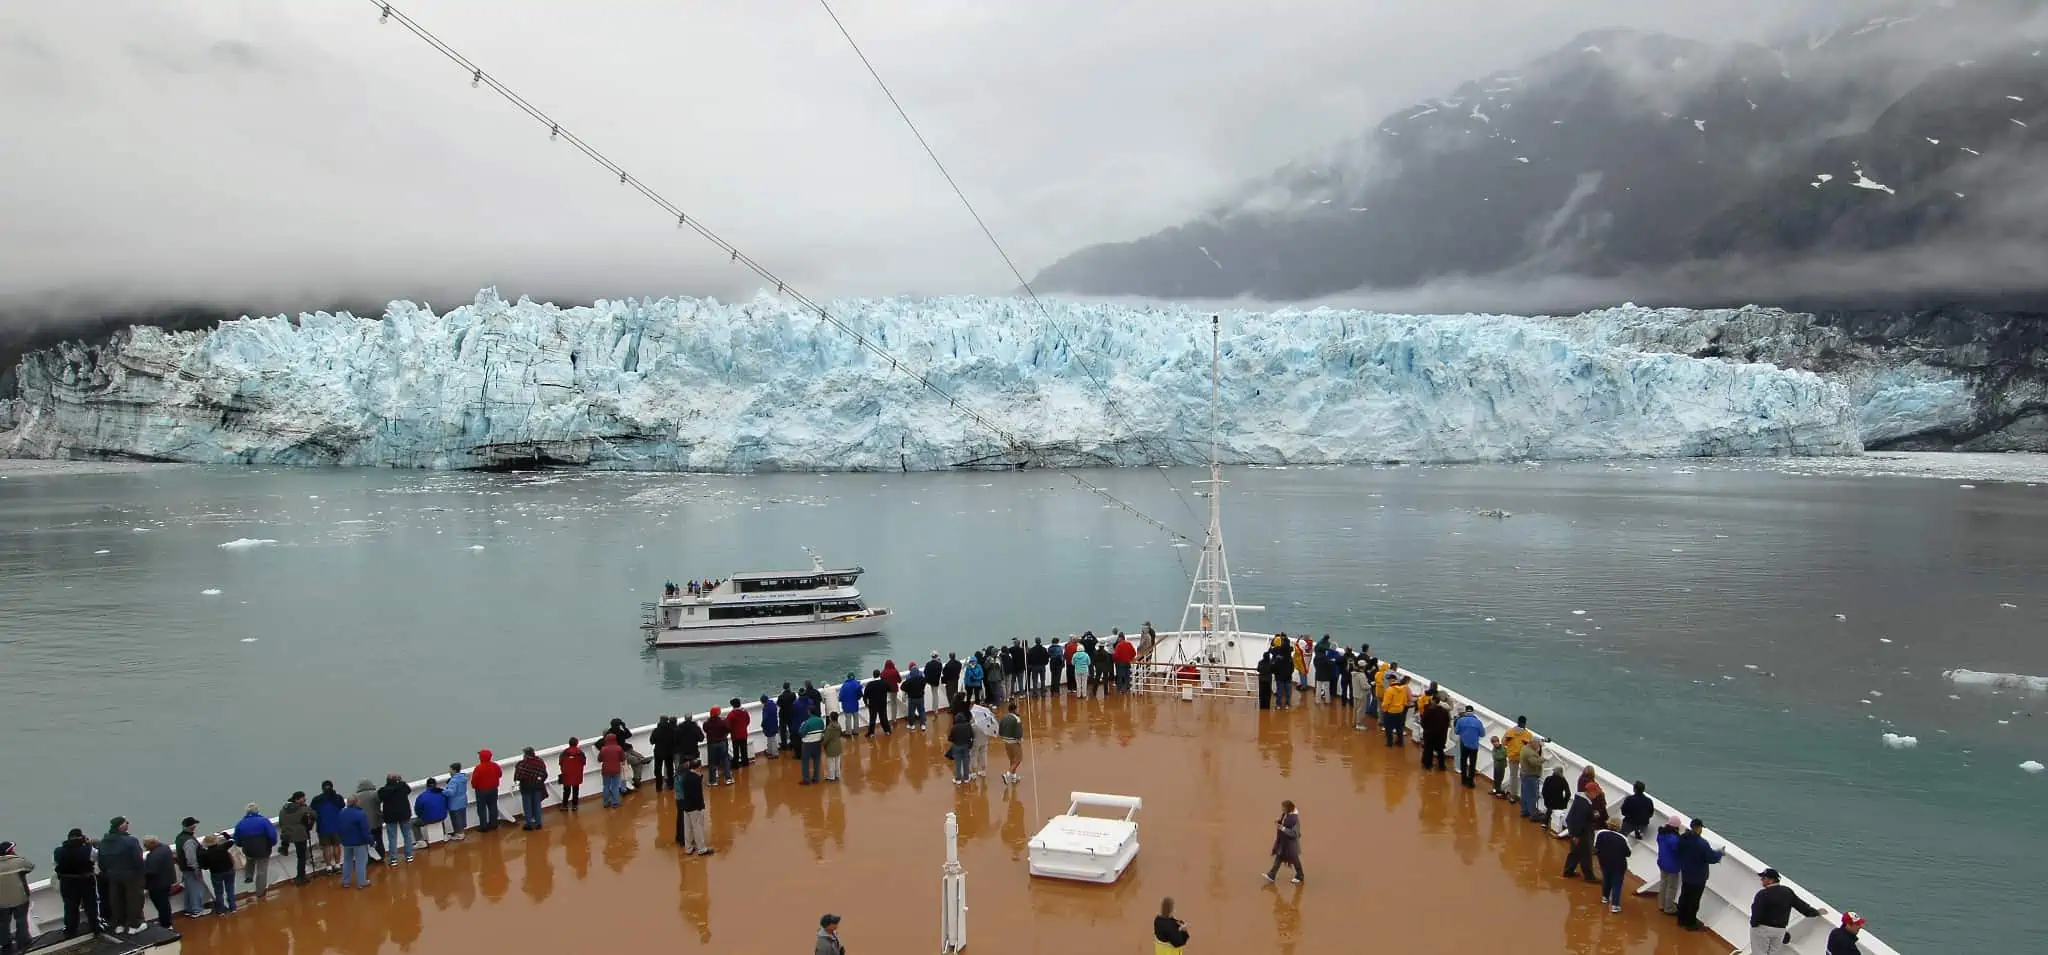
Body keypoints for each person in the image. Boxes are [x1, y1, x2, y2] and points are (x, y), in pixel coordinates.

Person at [1749, 868, 1826, 955]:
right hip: (1779, 931)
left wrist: (1754, 925)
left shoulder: (1762, 894)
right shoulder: (1787, 892)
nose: (1761, 880)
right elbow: (1803, 907)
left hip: (1762, 929)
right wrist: (1816, 912)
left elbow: (1756, 912)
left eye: (1763, 878)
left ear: (1771, 880)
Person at [1674, 818, 1725, 931]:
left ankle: (1681, 919)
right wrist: (1720, 853)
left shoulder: (1683, 838)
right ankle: (1690, 923)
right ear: (1698, 828)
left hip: (1686, 873)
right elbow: (1711, 858)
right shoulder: (1702, 843)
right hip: (1698, 876)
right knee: (1694, 900)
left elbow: (1679, 851)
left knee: (1684, 896)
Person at [100, 816, 146, 932]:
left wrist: (107, 872)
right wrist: (141, 873)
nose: (128, 824)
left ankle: (119, 925)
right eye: (127, 823)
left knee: (116, 899)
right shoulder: (130, 840)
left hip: (112, 875)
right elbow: (137, 859)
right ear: (121, 826)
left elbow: (101, 861)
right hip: (130, 875)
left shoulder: (104, 841)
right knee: (134, 899)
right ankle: (134, 925)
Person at [53, 829, 98, 936]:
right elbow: (96, 858)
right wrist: (87, 844)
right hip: (86, 880)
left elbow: (55, 865)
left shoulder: (58, 851)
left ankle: (71, 930)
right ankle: (95, 926)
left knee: (70, 907)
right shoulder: (88, 849)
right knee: (91, 904)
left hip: (67, 882)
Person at [231, 803, 278, 899]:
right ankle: (260, 892)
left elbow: (236, 838)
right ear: (257, 811)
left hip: (248, 850)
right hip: (263, 850)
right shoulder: (264, 821)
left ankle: (249, 875)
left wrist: (241, 844)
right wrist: (272, 844)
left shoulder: (240, 823)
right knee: (262, 870)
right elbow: (272, 835)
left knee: (250, 859)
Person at [0, 841, 35, 952]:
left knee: (3, 922)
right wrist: (17, 857)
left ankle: (5, 945)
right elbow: (30, 866)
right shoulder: (18, 861)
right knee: (21, 919)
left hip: (1, 902)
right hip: (20, 897)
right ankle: (23, 942)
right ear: (10, 851)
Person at [675, 759, 714, 856]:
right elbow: (697, 795)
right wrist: (700, 806)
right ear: (698, 767)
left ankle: (688, 848)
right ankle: (701, 849)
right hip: (695, 807)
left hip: (686, 806)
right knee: (698, 828)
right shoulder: (696, 779)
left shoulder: (685, 777)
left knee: (687, 828)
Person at [173, 817, 211, 917]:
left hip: (184, 868)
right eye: (194, 825)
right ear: (192, 826)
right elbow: (191, 857)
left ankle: (189, 908)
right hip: (191, 869)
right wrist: (196, 869)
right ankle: (197, 910)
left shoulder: (179, 837)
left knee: (189, 889)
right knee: (196, 889)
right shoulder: (189, 841)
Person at [277, 792, 317, 884]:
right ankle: (301, 877)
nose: (305, 800)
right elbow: (314, 815)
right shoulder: (302, 809)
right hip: (300, 834)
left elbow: (281, 822)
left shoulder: (283, 809)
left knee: (300, 856)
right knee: (301, 856)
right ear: (297, 799)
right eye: (303, 798)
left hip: (287, 835)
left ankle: (284, 847)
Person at [1594, 818, 1632, 913]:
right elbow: (1628, 853)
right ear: (1619, 827)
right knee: (1617, 883)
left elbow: (1596, 846)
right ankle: (1615, 905)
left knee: (1606, 878)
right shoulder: (1623, 838)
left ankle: (1605, 897)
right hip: (1618, 864)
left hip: (1604, 861)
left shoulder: (1600, 833)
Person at [336, 797, 374, 890]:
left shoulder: (341, 813)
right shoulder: (360, 814)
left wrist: (341, 839)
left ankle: (346, 881)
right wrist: (371, 841)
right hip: (359, 842)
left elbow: (338, 828)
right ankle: (362, 882)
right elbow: (365, 830)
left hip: (346, 842)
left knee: (347, 861)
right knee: (361, 861)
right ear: (357, 802)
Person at [1262, 799, 1303, 884]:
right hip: (1284, 843)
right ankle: (1271, 875)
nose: (1282, 809)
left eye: (1283, 808)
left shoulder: (1295, 820)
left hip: (1291, 845)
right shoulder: (1286, 815)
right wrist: (1279, 821)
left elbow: (1294, 834)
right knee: (1279, 857)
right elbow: (1284, 822)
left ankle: (1300, 876)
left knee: (1295, 860)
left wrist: (1283, 828)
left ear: (1288, 808)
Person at [376, 775, 415, 864]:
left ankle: (393, 859)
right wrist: (401, 781)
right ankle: (409, 856)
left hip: (390, 817)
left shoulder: (383, 790)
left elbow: (380, 797)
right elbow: (408, 790)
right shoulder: (402, 787)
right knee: (407, 836)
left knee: (392, 838)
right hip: (404, 815)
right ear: (397, 780)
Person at [1562, 787, 1597, 882]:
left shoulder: (1579, 800)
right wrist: (1576, 835)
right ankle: (1589, 877)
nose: (1596, 795)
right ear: (1590, 792)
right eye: (1596, 792)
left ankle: (1568, 870)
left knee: (1575, 852)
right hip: (1582, 833)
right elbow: (1579, 820)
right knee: (1586, 854)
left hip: (1576, 831)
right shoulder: (1584, 805)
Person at [311, 781, 347, 872]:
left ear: (322, 788)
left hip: (322, 827)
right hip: (336, 826)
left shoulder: (317, 799)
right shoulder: (338, 798)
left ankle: (329, 867)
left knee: (326, 847)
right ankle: (338, 864)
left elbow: (312, 810)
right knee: (336, 845)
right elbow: (342, 806)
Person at [197, 834, 237, 914]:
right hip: (229, 870)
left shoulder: (205, 854)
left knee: (219, 892)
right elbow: (232, 840)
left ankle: (221, 910)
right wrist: (226, 835)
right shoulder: (223, 847)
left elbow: (204, 867)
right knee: (230, 889)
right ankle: (233, 908)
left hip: (216, 873)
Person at [1654, 814, 1685, 915]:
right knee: (1671, 887)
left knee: (1663, 883)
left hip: (1662, 862)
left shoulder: (1661, 834)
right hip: (1672, 866)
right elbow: (1679, 851)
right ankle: (1669, 907)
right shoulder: (1674, 839)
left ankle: (1661, 904)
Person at [142, 836, 175, 928]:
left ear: (152, 844)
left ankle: (166, 924)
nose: (145, 847)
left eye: (146, 845)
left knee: (161, 904)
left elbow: (151, 871)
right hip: (167, 881)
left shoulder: (153, 856)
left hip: (157, 884)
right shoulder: (165, 848)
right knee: (165, 903)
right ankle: (165, 921)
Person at [514, 747, 550, 829]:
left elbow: (518, 777)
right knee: (537, 805)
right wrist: (539, 780)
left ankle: (528, 824)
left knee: (527, 806)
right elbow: (544, 774)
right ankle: (538, 823)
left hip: (526, 788)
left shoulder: (521, 764)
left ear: (526, 755)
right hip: (537, 787)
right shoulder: (540, 761)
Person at [1502, 717, 1535, 800]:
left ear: (1517, 722)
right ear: (1525, 723)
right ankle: (1525, 796)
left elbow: (1503, 743)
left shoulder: (1510, 732)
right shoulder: (1528, 734)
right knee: (1524, 776)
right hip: (1523, 758)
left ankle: (1513, 795)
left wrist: (1508, 740)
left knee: (1513, 776)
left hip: (1512, 756)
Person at [1454, 705, 1486, 787]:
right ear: (1473, 712)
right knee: (1472, 763)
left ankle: (1463, 780)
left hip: (1464, 744)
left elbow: (1456, 731)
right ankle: (1471, 781)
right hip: (1474, 745)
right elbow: (1482, 734)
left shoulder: (1460, 720)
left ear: (1465, 711)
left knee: (1463, 761)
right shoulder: (1478, 722)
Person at [472, 750, 504, 831]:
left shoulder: (478, 768)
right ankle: (494, 824)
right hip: (493, 789)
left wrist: (474, 786)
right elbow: (500, 774)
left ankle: (483, 826)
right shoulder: (495, 765)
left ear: (481, 757)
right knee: (493, 806)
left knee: (481, 809)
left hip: (481, 791)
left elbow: (474, 780)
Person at [969, 701, 998, 780]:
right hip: (985, 741)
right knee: (983, 755)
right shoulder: (989, 722)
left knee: (973, 756)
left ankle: (974, 772)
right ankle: (983, 770)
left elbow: (970, 732)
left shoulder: (974, 724)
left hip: (975, 742)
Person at [1519, 739, 1547, 820]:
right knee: (1532, 796)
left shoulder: (1524, 748)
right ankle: (1534, 815)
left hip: (1524, 774)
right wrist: (1543, 759)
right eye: (1538, 745)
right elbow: (1534, 762)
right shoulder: (1530, 753)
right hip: (1530, 776)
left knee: (1524, 794)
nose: (1538, 747)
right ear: (1533, 744)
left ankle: (1524, 811)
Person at [704, 709, 734, 786]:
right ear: (718, 713)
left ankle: (713, 781)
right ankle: (728, 779)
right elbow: (728, 729)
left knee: (712, 762)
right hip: (722, 742)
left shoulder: (707, 723)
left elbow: (705, 729)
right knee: (725, 760)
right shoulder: (723, 721)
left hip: (712, 744)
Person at [998, 702, 1025, 786]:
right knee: (1018, 759)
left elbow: (1000, 731)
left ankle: (1014, 777)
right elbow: (1019, 732)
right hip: (1014, 742)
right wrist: (1019, 739)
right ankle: (1008, 774)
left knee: (1012, 760)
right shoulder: (1017, 719)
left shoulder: (1003, 718)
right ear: (1015, 709)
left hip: (1006, 742)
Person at [947, 708, 975, 784]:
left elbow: (949, 738)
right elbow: (972, 735)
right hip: (966, 746)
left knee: (958, 763)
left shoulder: (954, 727)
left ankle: (958, 779)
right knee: (966, 761)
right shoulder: (968, 725)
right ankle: (966, 778)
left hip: (956, 746)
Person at [799, 708, 827, 784]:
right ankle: (816, 778)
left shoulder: (807, 722)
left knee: (805, 762)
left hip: (807, 744)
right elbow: (823, 730)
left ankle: (806, 779)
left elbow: (802, 733)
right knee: (816, 761)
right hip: (817, 743)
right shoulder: (820, 721)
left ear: (809, 712)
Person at [443, 763, 471, 840]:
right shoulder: (463, 777)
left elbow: (451, 792)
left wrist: (443, 791)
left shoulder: (454, 780)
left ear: (454, 770)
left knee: (456, 818)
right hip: (463, 800)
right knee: (462, 817)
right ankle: (462, 832)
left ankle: (459, 834)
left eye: (450, 769)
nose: (449, 770)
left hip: (454, 802)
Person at [561, 736, 589, 810]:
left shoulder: (564, 752)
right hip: (577, 774)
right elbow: (583, 762)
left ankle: (565, 806)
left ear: (569, 743)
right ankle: (574, 806)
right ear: (577, 743)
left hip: (566, 774)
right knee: (575, 790)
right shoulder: (580, 752)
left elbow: (561, 762)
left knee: (566, 790)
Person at [599, 733, 626, 808]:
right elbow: (623, 759)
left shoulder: (603, 749)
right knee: (615, 786)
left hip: (606, 770)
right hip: (616, 769)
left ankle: (606, 802)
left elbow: (599, 759)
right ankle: (615, 802)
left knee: (606, 786)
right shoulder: (619, 748)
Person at [650, 716, 678, 789]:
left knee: (658, 769)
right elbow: (674, 741)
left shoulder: (656, 730)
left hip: (658, 752)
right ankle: (670, 785)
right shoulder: (671, 730)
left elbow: (652, 741)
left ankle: (658, 786)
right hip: (669, 752)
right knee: (670, 768)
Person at [728, 699, 754, 767]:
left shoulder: (731, 714)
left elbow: (728, 725)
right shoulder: (744, 712)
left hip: (735, 735)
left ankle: (735, 765)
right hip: (743, 734)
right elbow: (748, 721)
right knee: (744, 750)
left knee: (736, 751)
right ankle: (745, 763)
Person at [903, 664, 929, 730]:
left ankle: (912, 725)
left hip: (912, 698)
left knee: (911, 712)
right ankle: (923, 725)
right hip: (920, 697)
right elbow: (924, 683)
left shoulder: (909, 680)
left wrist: (908, 691)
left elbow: (902, 687)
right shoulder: (922, 679)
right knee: (921, 711)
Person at [822, 713, 846, 782]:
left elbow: (826, 739)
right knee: (837, 762)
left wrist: (822, 744)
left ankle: (831, 777)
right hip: (838, 746)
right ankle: (837, 775)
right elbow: (840, 734)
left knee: (831, 763)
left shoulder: (830, 728)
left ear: (831, 718)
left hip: (831, 747)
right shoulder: (838, 725)